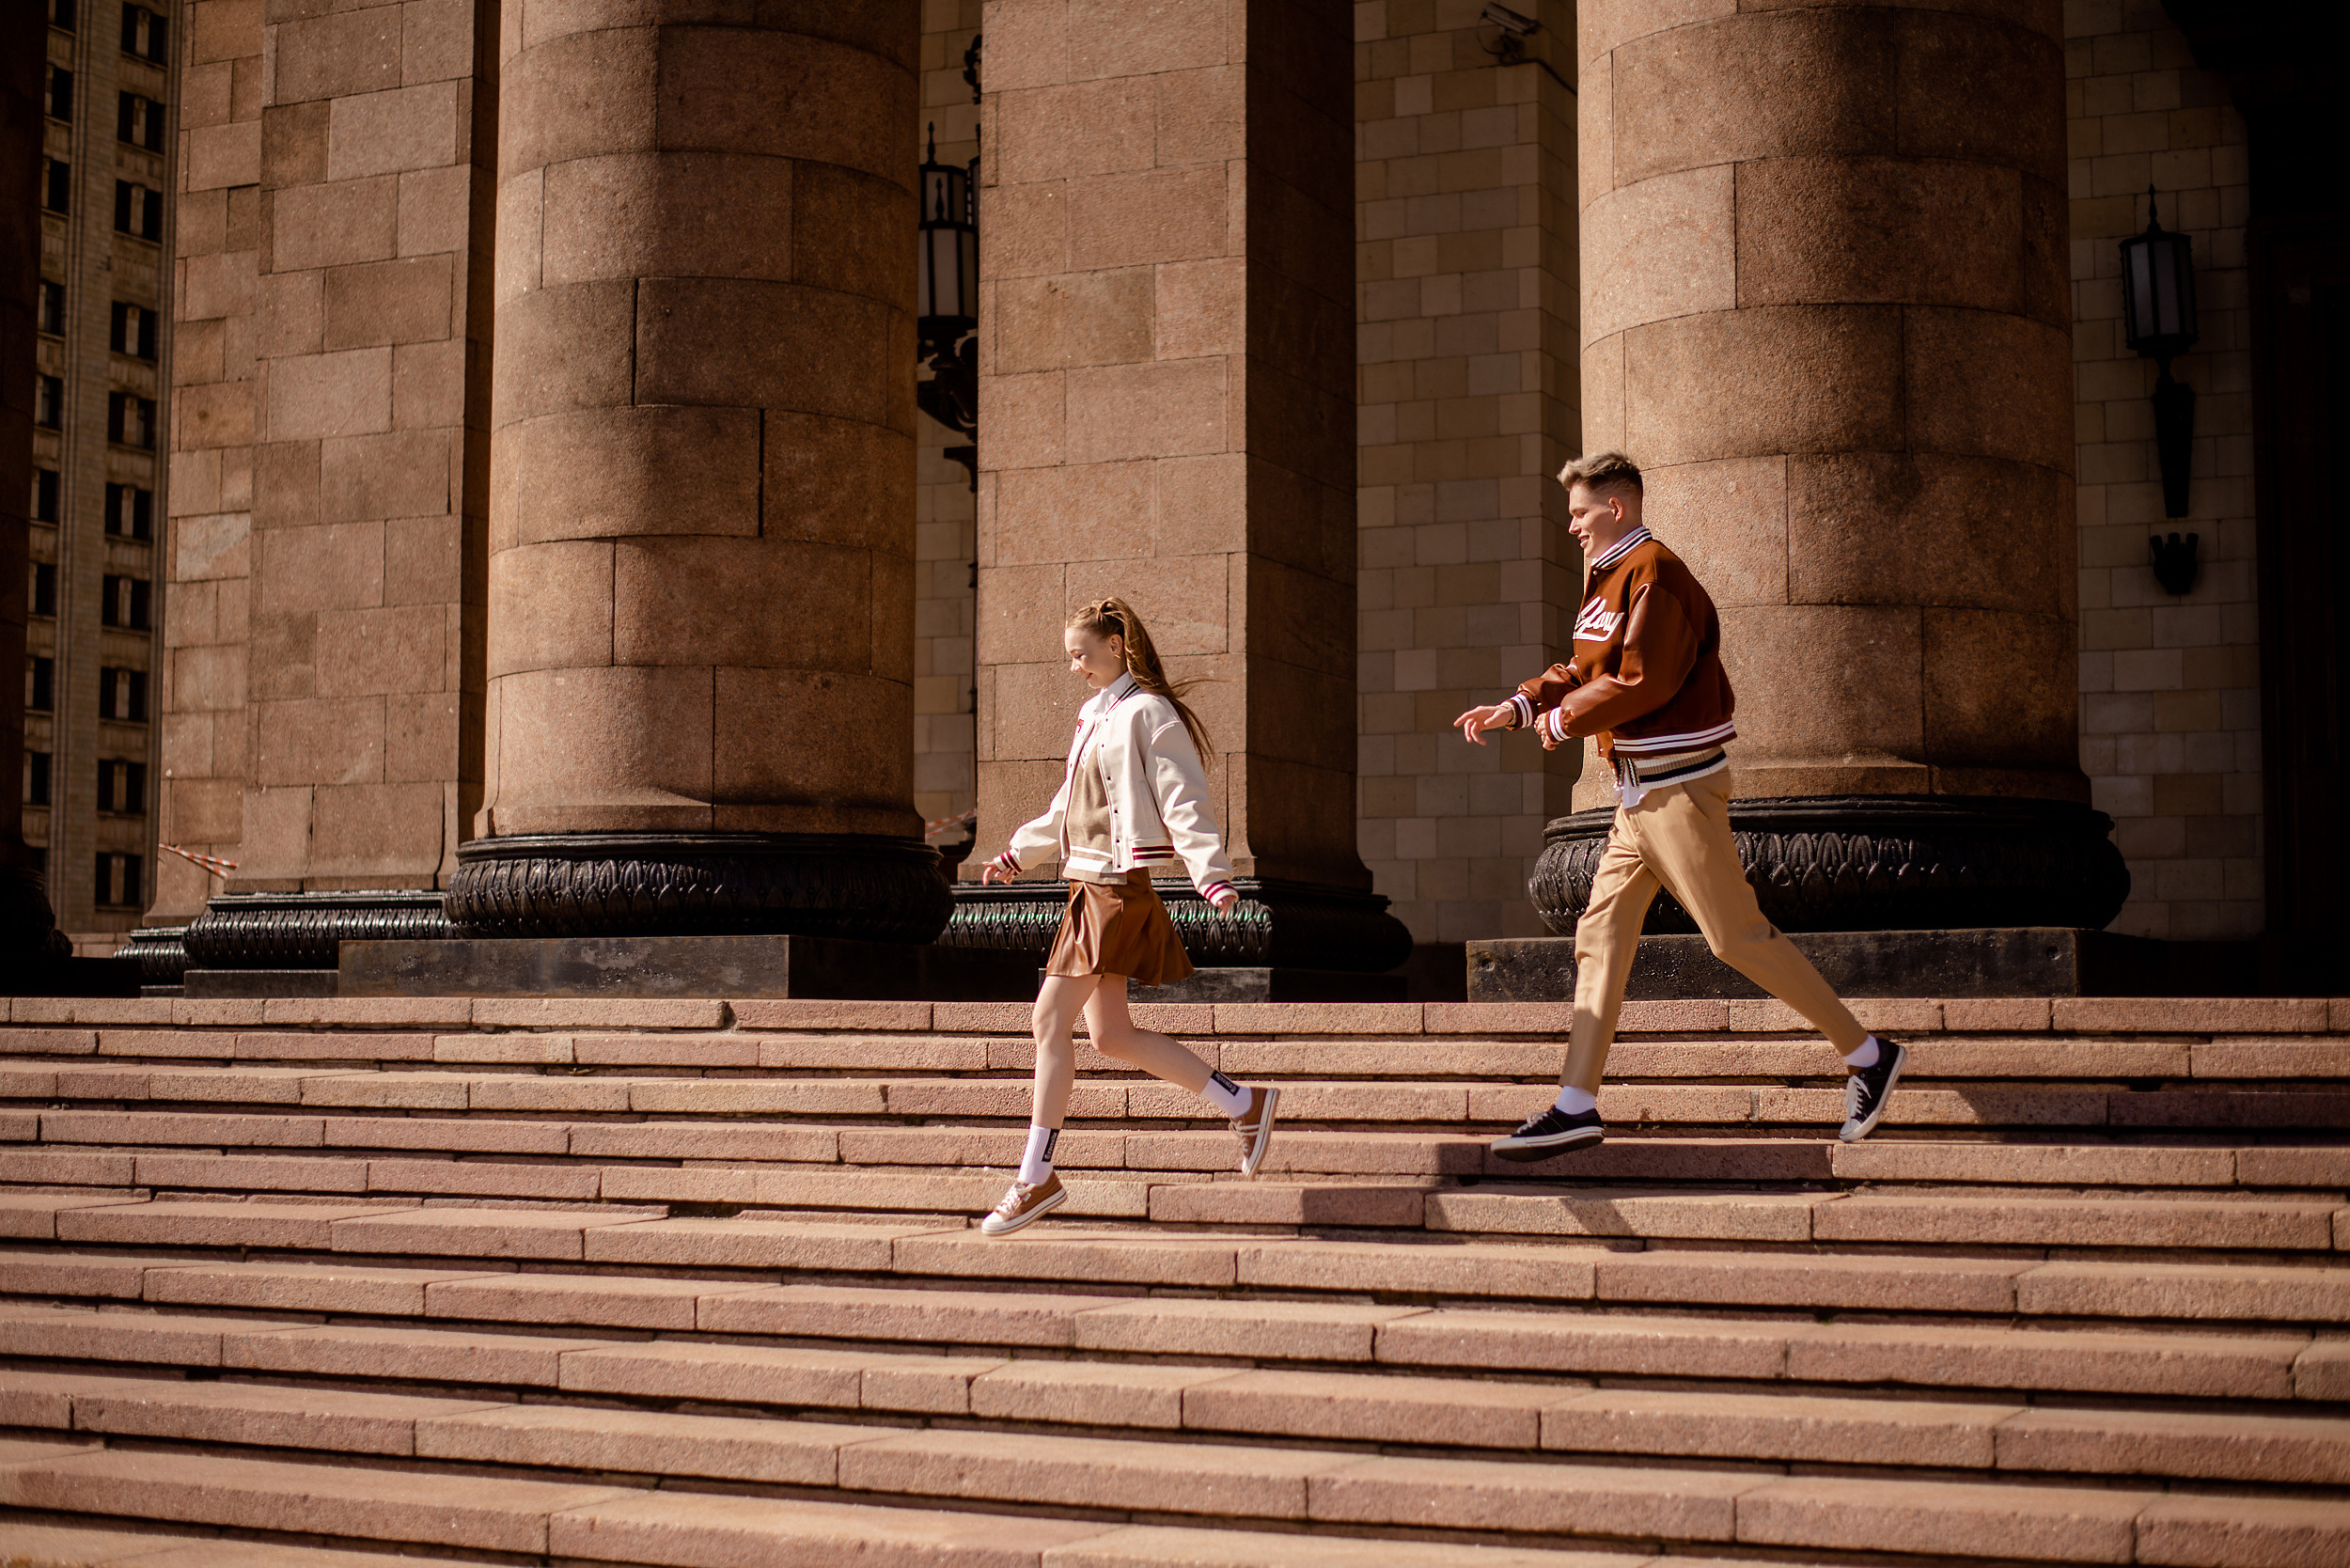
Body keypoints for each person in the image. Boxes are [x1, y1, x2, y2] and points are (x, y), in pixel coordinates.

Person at [1452, 452, 1904, 1159]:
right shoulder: (1609, 577)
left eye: (1579, 512)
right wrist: (1521, 705)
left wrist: (1564, 721)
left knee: (1735, 938)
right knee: (1599, 937)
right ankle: (1575, 1103)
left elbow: (1645, 678)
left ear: (1618, 507)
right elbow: (1586, 664)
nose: (1570, 525)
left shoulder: (1654, 571)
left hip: (1679, 788)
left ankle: (1869, 1056)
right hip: (1639, 797)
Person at [976, 596, 1279, 1234]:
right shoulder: (1097, 714)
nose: (1074, 667)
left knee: (1047, 1021)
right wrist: (1017, 854)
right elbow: (1069, 805)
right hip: (1090, 887)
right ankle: (1243, 1102)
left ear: (1116, 644)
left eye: (1081, 653)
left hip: (1112, 891)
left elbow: (1183, 794)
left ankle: (1035, 1176)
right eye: (1069, 656)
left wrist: (1212, 877)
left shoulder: (1147, 711)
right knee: (1110, 1036)